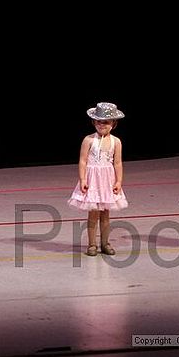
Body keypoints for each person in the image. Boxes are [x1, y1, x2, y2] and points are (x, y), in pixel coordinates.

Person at [68, 102, 128, 256]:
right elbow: (83, 161)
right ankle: (92, 244)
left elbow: (118, 163)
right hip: (93, 180)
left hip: (107, 180)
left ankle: (105, 243)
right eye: (99, 121)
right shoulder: (88, 140)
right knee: (93, 213)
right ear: (94, 122)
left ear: (113, 124)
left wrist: (119, 181)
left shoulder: (116, 141)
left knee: (106, 214)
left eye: (106, 122)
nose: (102, 125)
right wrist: (82, 179)